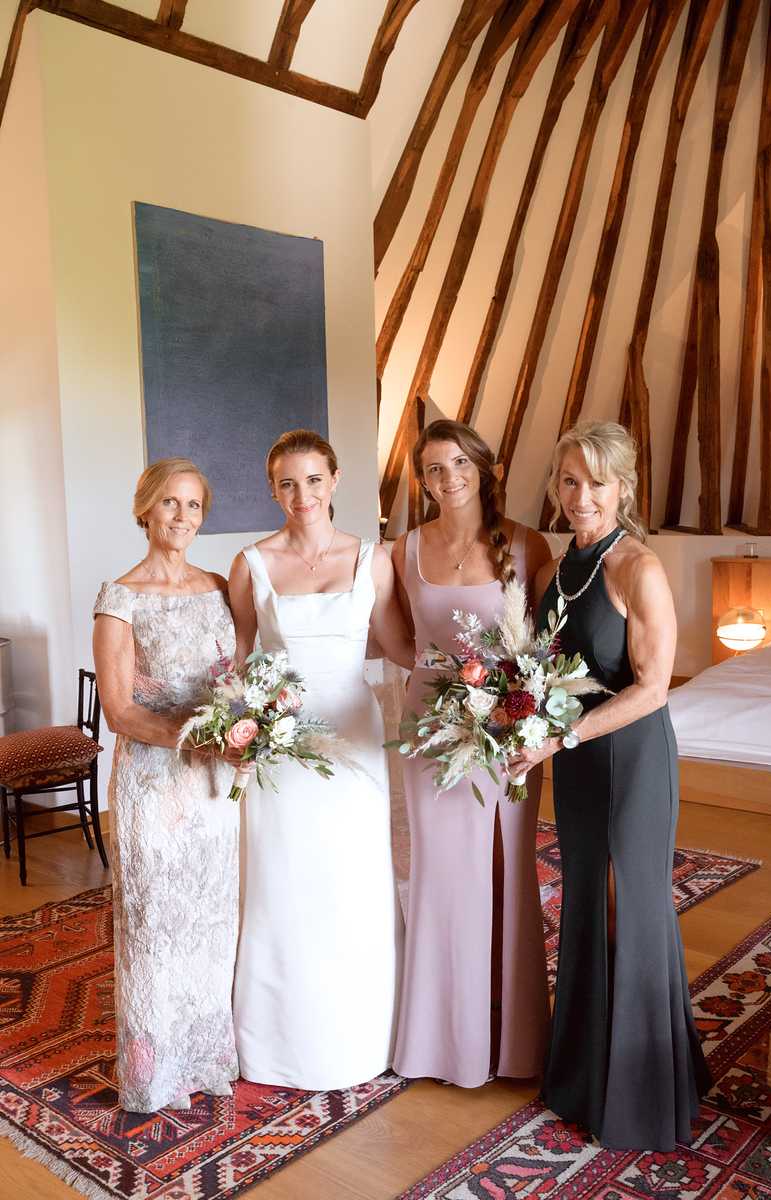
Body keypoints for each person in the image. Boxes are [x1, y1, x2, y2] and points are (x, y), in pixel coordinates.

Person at [508, 420, 711, 1151]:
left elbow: (652, 688)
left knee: (633, 907)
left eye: (596, 482)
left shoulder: (637, 567)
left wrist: (560, 737)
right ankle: (583, 1077)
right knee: (587, 901)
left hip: (629, 758)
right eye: (569, 481)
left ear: (623, 487)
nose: (581, 496)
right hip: (576, 763)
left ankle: (643, 1093)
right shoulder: (555, 570)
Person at [229, 428, 413, 1091]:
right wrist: (236, 730)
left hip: (353, 740)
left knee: (351, 880)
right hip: (280, 749)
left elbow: (397, 646)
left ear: (334, 480)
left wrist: (473, 675)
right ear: (272, 489)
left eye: (312, 479)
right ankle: (277, 1041)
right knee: (282, 881)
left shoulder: (372, 559)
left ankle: (365, 1035)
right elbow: (238, 663)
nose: (301, 494)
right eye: (287, 483)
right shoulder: (251, 564)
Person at [392, 418, 552, 1088]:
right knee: (442, 874)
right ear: (422, 482)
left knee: (505, 871)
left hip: (506, 728)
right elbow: (397, 640)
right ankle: (440, 1042)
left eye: (459, 463)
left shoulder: (528, 543)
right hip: (430, 727)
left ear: (485, 469)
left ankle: (512, 1040)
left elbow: (544, 649)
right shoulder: (402, 549)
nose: (448, 477)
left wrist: (518, 713)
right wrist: (440, 679)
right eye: (433, 468)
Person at [92, 458, 239, 1113]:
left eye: (193, 505)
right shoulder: (119, 598)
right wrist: (197, 738)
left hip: (214, 787)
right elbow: (120, 711)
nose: (182, 517)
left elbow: (236, 676)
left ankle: (205, 1057)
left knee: (210, 917)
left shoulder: (217, 586)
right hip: (154, 786)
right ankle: (152, 1072)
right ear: (145, 508)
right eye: (170, 503)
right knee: (156, 923)